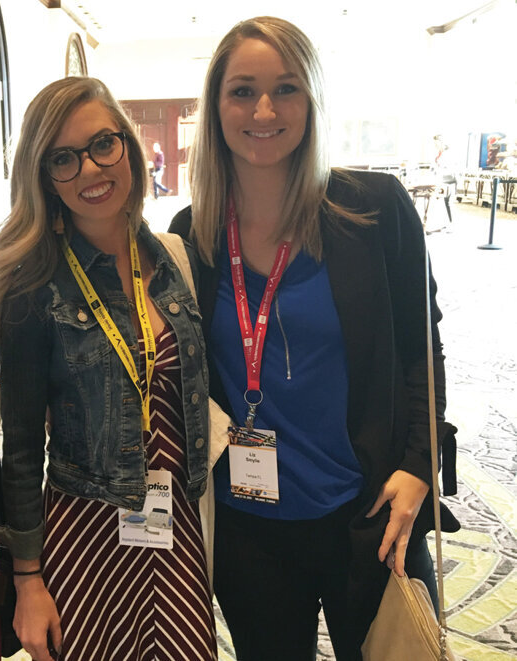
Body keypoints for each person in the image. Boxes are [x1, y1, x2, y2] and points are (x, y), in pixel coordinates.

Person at [168, 16, 458, 660]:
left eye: (287, 89)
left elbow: (423, 356)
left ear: (313, 101)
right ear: (215, 107)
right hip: (251, 526)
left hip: (370, 512)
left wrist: (418, 466)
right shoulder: (193, 234)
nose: (264, 109)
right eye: (242, 90)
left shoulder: (376, 210)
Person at [0, 76, 216, 661]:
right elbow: (21, 449)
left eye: (102, 145)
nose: (90, 170)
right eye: (63, 159)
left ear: (128, 150)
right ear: (44, 178)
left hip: (176, 523)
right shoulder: (33, 289)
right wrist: (28, 580)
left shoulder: (172, 258)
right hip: (86, 534)